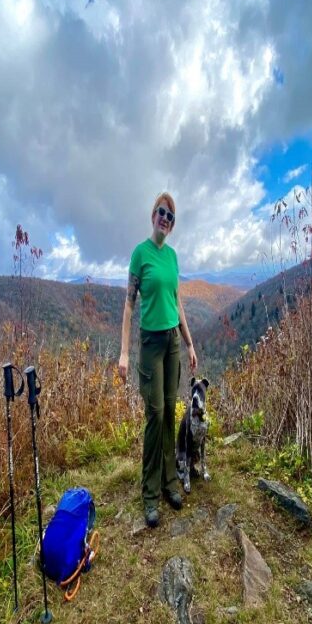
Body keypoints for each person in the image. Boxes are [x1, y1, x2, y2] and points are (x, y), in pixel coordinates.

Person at [118, 192, 197, 528]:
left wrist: (189, 343)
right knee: (155, 416)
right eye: (162, 212)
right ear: (152, 215)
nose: (166, 219)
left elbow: (177, 303)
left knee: (169, 413)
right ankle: (150, 495)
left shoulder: (173, 258)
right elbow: (128, 306)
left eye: (171, 216)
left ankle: (169, 484)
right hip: (150, 344)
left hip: (172, 343)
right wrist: (123, 353)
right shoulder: (140, 254)